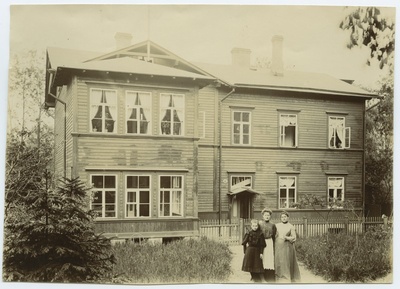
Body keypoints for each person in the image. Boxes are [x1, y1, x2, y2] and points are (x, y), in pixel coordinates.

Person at [274, 211, 301, 283]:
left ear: (288, 217)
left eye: (285, 217)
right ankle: (278, 275)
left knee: (286, 260)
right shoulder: (277, 225)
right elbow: (274, 235)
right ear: (280, 218)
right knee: (278, 259)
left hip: (287, 246)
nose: (283, 218)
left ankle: (286, 276)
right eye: (282, 217)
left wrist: (286, 237)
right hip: (278, 245)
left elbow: (294, 238)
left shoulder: (291, 226)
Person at [258, 208, 276, 282]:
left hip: (269, 241)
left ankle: (270, 275)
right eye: (265, 215)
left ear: (270, 216)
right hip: (262, 242)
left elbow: (274, 235)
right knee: (262, 257)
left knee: (269, 257)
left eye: (268, 215)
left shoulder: (272, 225)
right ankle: (261, 275)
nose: (267, 216)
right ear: (263, 216)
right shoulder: (260, 224)